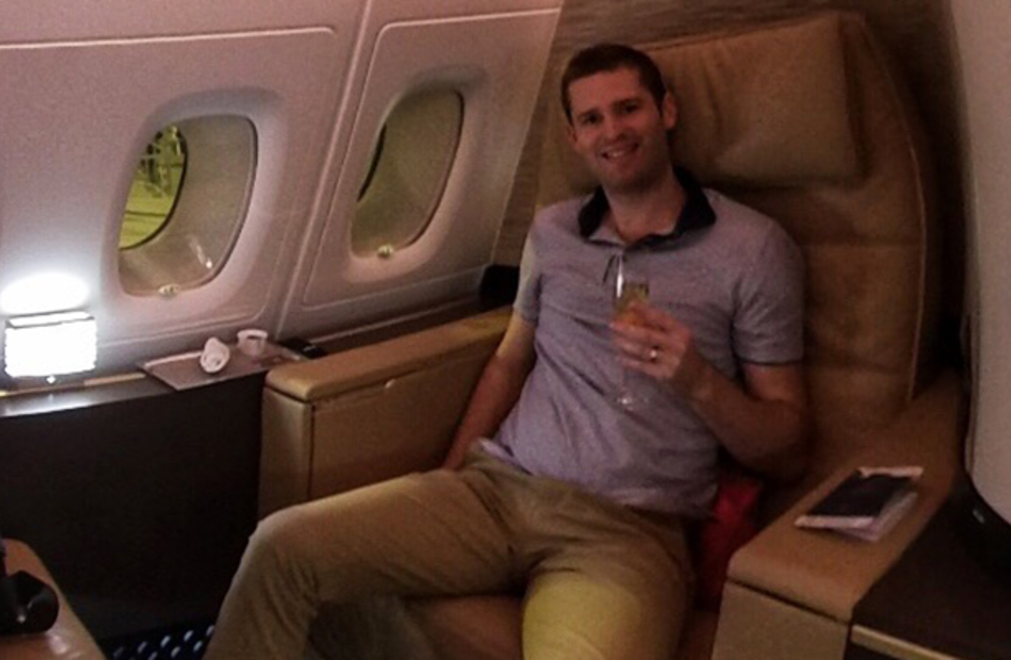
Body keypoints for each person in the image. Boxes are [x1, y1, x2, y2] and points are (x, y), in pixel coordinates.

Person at [205, 43, 809, 660]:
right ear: (574, 137)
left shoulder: (751, 249)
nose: (613, 131)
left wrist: (699, 380)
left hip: (627, 530)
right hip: (499, 491)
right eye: (592, 119)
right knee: (281, 546)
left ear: (667, 112)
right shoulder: (553, 231)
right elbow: (509, 362)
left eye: (629, 109)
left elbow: (786, 447)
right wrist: (452, 474)